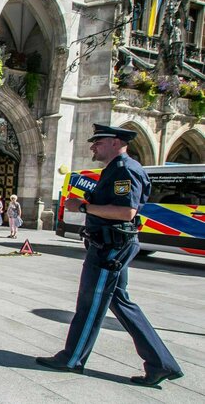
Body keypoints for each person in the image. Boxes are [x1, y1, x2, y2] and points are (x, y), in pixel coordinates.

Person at [36, 124, 183, 387]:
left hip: (109, 247)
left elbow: (126, 212)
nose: (93, 146)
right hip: (111, 244)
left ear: (116, 142)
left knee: (91, 303)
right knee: (121, 303)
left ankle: (72, 359)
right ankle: (161, 363)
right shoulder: (116, 169)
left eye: (98, 142)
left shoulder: (124, 170)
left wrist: (83, 206)